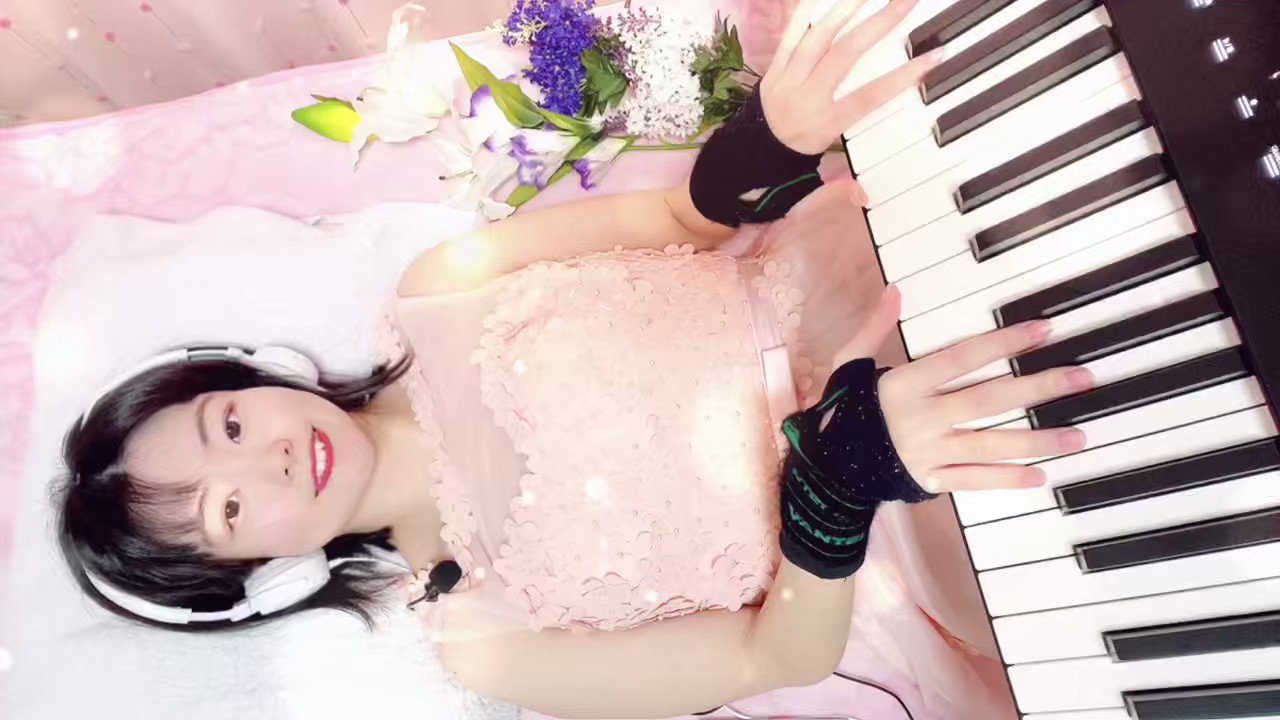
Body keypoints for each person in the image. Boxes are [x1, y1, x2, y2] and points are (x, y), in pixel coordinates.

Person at [54, 0, 1093, 718]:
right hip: (915, 510)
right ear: (268, 581)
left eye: (230, 425)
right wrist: (836, 484)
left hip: (879, 259)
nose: (269, 459)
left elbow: (679, 221)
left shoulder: (436, 289)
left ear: (254, 373)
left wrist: (770, 138)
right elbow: (773, 654)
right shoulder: (484, 641)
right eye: (230, 508)